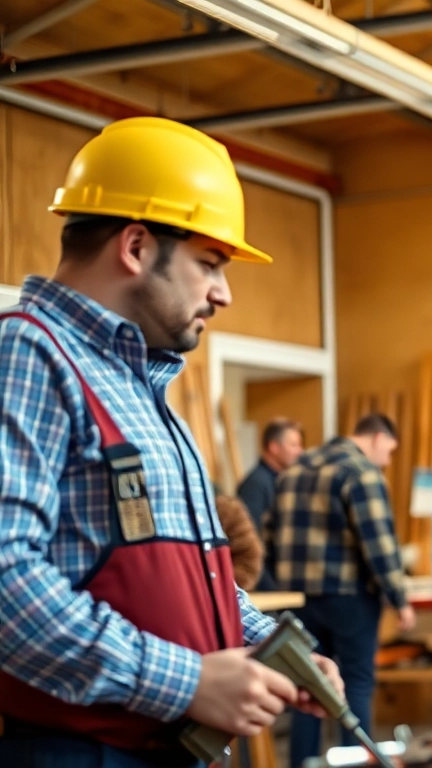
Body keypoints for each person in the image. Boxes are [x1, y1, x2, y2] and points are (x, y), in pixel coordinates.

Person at [0, 116, 339, 767]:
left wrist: (270, 648)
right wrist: (187, 683)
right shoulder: (28, 354)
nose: (224, 293)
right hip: (78, 752)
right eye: (209, 264)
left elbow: (196, 573)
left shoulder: (142, 388)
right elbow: (7, 578)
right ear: (135, 246)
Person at [266, 412, 415, 768]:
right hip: (349, 598)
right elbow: (379, 545)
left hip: (296, 599)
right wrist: (400, 600)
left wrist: (282, 586)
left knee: (306, 689)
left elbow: (268, 536)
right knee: (356, 685)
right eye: (389, 451)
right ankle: (356, 764)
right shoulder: (361, 472)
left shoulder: (294, 470)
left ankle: (304, 764)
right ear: (377, 438)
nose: (387, 460)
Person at [236, 418, 304, 590]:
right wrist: (270, 587)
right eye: (293, 445)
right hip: (266, 585)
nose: (300, 451)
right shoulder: (256, 485)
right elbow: (250, 541)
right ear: (274, 447)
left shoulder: (282, 482)